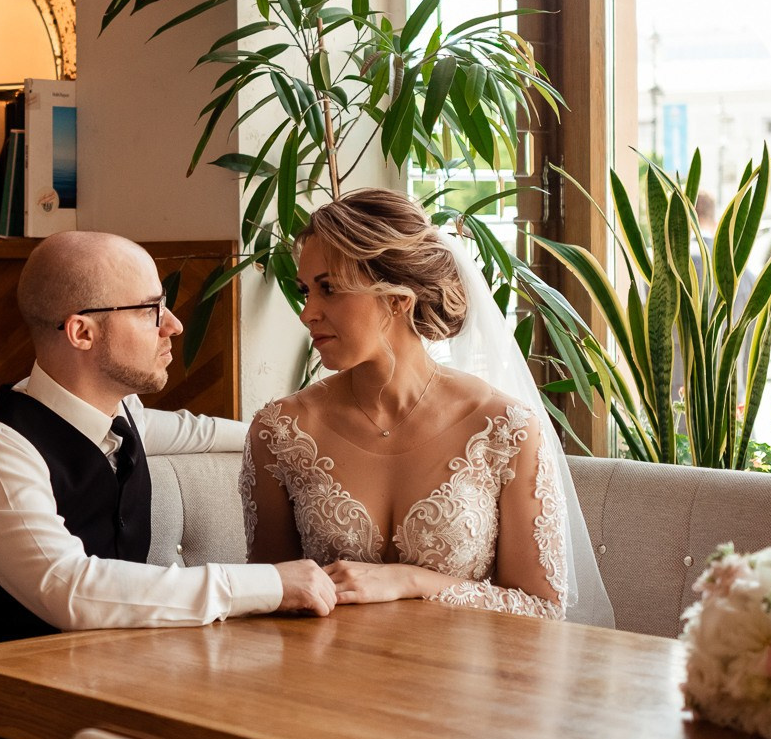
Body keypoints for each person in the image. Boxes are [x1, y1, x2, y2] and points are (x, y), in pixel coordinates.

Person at [0, 229, 341, 739]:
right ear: (82, 332)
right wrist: (269, 584)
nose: (172, 323)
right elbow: (73, 590)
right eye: (150, 309)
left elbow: (208, 434)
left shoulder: (127, 417)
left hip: (111, 714)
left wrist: (319, 439)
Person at [242, 189, 615, 626]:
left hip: (466, 686)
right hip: (328, 681)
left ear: (398, 299)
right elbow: (267, 596)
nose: (307, 313)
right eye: (306, 291)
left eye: (329, 289)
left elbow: (542, 609)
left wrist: (410, 582)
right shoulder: (282, 431)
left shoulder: (503, 429)